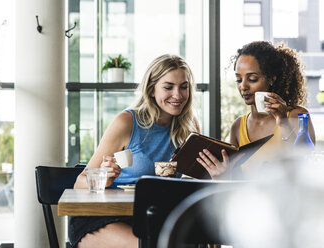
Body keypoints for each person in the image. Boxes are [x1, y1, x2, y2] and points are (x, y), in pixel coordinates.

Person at [69, 54, 200, 248]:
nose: (178, 95)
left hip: (154, 217)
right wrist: (104, 178)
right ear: (152, 90)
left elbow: (190, 183)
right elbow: (79, 183)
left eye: (184, 87)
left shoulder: (189, 128)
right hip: (105, 219)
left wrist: (208, 173)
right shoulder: (127, 122)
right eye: (168, 87)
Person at [197, 41, 316, 179]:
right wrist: (221, 176)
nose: (243, 86)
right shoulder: (237, 126)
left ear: (272, 78)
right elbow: (234, 183)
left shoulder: (297, 116)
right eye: (238, 79)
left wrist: (283, 123)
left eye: (252, 79)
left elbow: (307, 169)